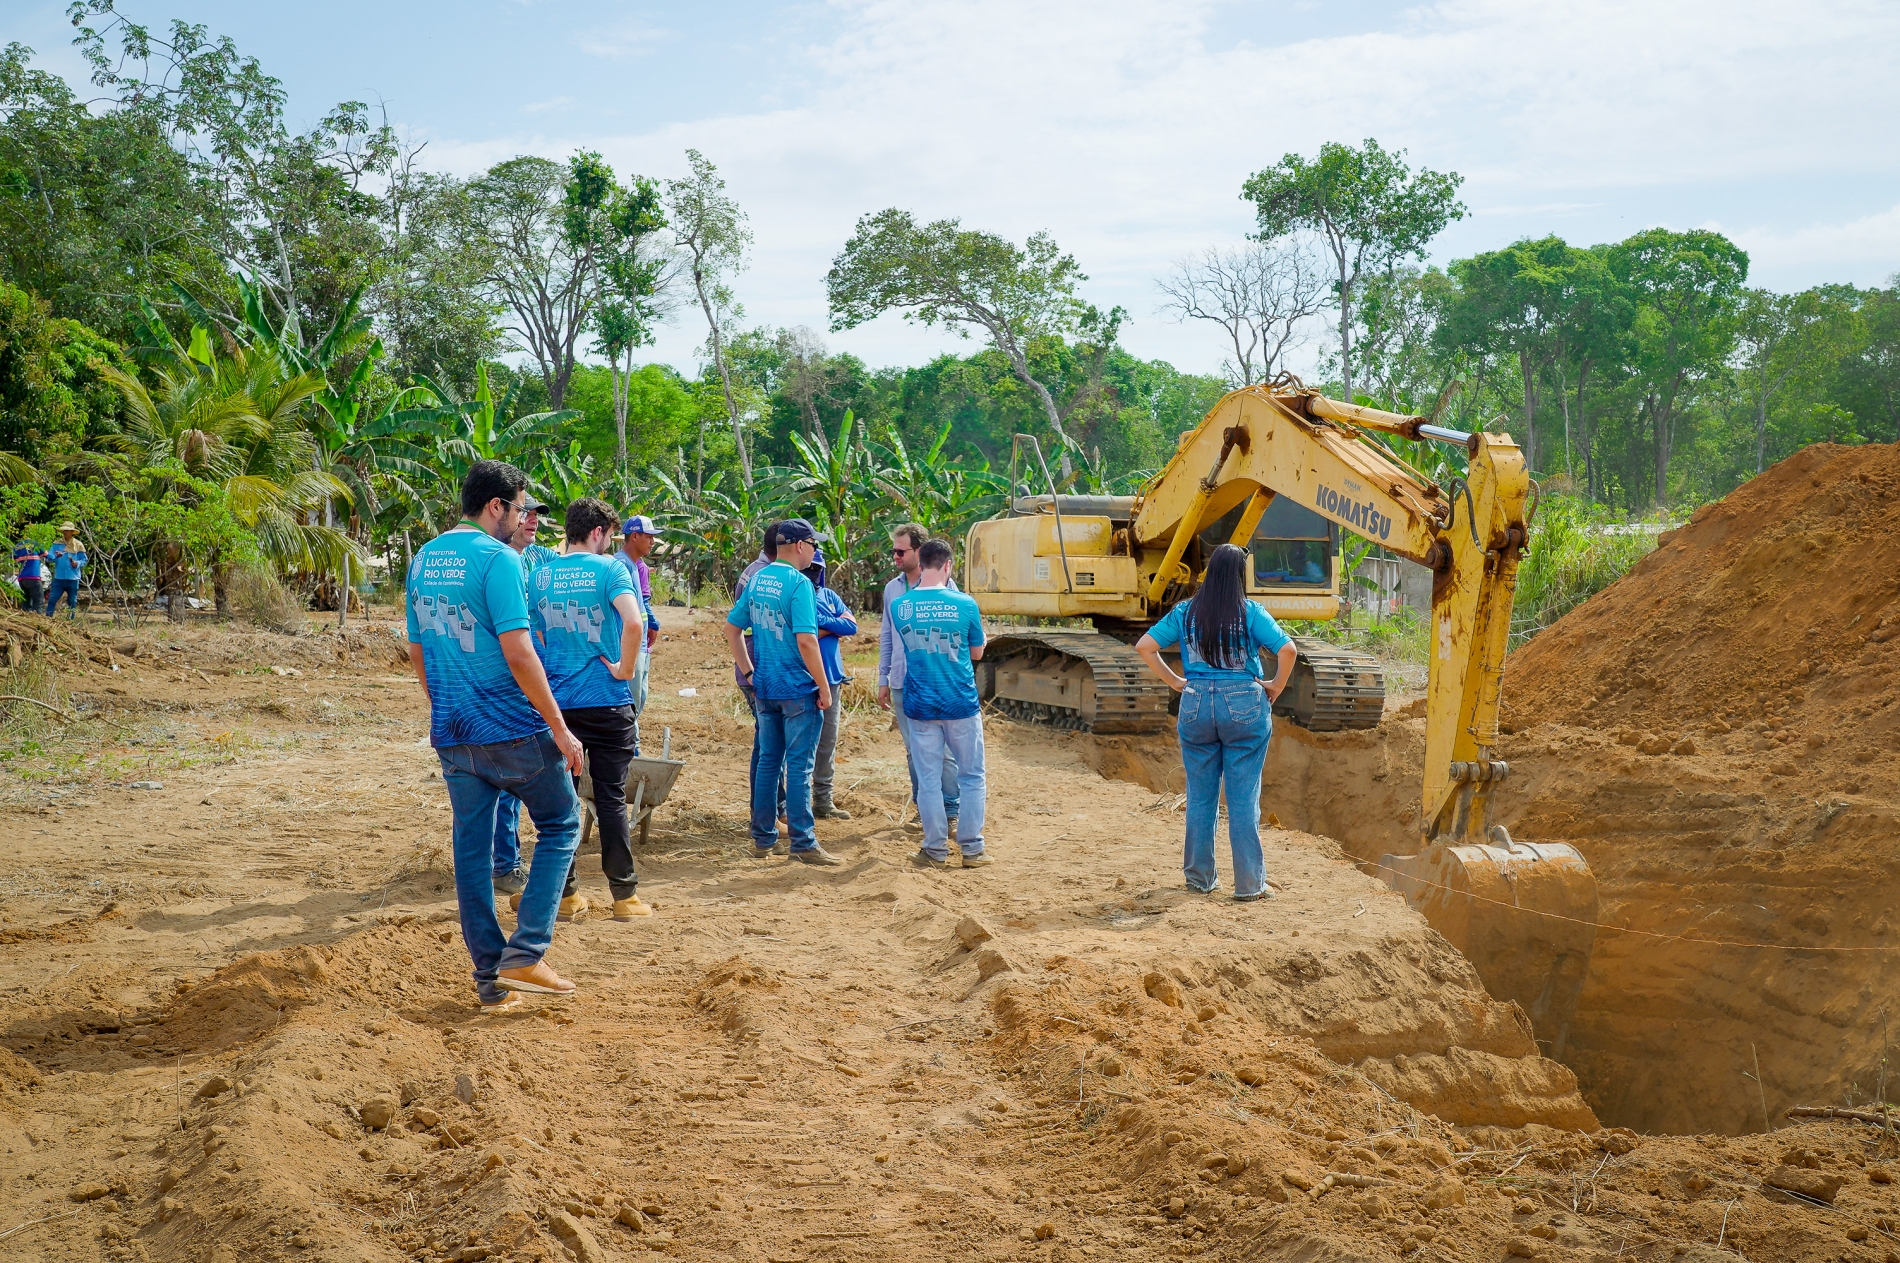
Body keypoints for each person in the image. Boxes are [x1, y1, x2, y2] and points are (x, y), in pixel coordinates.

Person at [406, 460, 585, 1011]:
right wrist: (561, 729)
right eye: (520, 507)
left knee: (472, 851)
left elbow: (417, 650)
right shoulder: (499, 559)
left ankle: (490, 978)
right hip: (511, 727)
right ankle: (526, 951)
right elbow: (519, 651)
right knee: (561, 823)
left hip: (453, 731)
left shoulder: (422, 557)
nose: (523, 517)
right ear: (495, 507)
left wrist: (444, 708)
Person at [1134, 542, 1298, 902]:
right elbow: (1287, 650)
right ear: (1240, 575)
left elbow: (1145, 646)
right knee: (1242, 800)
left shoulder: (1185, 612)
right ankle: (1249, 886)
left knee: (1200, 797)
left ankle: (1200, 879)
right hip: (1243, 703)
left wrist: (1177, 682)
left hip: (1194, 705)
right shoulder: (1251, 612)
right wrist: (1275, 686)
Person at [531, 496, 652, 922]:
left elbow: (535, 638)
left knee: (561, 804)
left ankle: (565, 896)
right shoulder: (612, 569)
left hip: (559, 708)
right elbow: (635, 623)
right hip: (608, 703)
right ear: (598, 532)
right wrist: (624, 669)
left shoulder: (540, 576)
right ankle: (625, 898)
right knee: (611, 798)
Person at [723, 518, 843, 866]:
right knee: (800, 767)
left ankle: (763, 839)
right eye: (814, 544)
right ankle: (803, 842)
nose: (816, 551)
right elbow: (807, 640)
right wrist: (824, 687)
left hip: (765, 688)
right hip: (796, 689)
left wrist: (750, 672)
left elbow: (731, 630)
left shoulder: (757, 578)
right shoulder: (799, 584)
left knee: (769, 763)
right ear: (800, 546)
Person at [885, 538, 991, 869]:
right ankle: (972, 849)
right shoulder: (965, 604)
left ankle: (934, 850)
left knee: (928, 779)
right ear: (947, 566)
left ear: (921, 562)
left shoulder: (899, 605)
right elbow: (976, 653)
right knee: (971, 775)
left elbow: (910, 645)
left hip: (920, 704)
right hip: (960, 701)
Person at [490, 494, 556, 903]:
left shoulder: (538, 560)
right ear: (506, 514)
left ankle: (503, 861)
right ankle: (503, 864)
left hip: (531, 679)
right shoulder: (496, 560)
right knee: (505, 781)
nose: (532, 521)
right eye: (525, 513)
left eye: (536, 515)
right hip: (505, 682)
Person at [876, 523, 960, 835]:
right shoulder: (892, 590)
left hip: (938, 682)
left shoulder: (950, 591)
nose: (895, 556)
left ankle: (951, 811)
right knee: (914, 751)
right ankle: (924, 809)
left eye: (901, 551)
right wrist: (883, 679)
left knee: (946, 752)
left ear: (920, 552)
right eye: (893, 551)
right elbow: (887, 637)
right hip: (902, 682)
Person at [804, 550, 858, 820]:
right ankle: (798, 805)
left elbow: (852, 626)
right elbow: (803, 631)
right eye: (810, 567)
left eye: (817, 568)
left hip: (833, 679)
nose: (813, 573)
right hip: (803, 680)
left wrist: (822, 625)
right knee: (802, 745)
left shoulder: (829, 596)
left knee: (827, 744)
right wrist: (832, 626)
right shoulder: (796, 594)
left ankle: (823, 802)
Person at [617, 516, 664, 654]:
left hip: (639, 643)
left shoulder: (634, 565)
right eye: (649, 537)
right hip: (630, 646)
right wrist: (654, 623)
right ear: (635, 536)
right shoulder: (622, 565)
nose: (652, 542)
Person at [44, 522, 86, 619]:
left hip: (73, 578)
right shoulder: (56, 544)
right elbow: (49, 558)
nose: (65, 532)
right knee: (52, 599)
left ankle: (70, 622)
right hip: (59, 577)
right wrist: (55, 556)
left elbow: (84, 560)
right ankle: (48, 619)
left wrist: (77, 563)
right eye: (64, 530)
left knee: (72, 602)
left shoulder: (78, 545)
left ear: (72, 532)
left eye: (67, 530)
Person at [12, 540, 43, 613]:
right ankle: (37, 618)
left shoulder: (17, 546)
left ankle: (26, 617)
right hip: (33, 577)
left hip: (22, 579)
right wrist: (56, 555)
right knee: (38, 601)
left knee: (26, 602)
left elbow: (12, 559)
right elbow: (48, 556)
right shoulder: (36, 543)